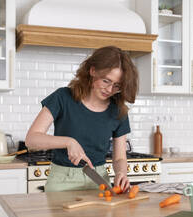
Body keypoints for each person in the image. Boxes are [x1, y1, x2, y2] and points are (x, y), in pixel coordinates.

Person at [25, 46, 139, 192]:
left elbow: (119, 158)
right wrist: (68, 142)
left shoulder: (118, 110)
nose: (110, 90)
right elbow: (31, 139)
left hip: (99, 181)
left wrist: (121, 173)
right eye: (106, 81)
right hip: (62, 180)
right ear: (93, 71)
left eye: (117, 86)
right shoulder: (62, 97)